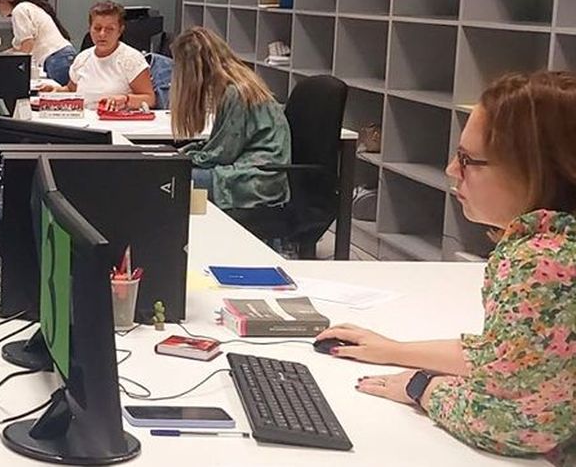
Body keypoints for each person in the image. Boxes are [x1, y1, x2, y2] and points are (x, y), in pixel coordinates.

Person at [315, 71, 575, 465]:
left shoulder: (543, 265)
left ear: (536, 167)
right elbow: (513, 357)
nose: (453, 170)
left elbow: (520, 426)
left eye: (468, 160)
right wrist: (393, 350)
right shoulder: (554, 246)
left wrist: (423, 387)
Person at [169, 26, 290, 210]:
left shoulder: (236, 93)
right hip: (252, 172)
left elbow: (222, 154)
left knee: (171, 180)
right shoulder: (239, 83)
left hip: (255, 179)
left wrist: (182, 158)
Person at [40, 0, 155, 110]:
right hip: (85, 119)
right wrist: (55, 91)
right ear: (89, 29)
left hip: (116, 120)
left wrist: (125, 99)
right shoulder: (82, 58)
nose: (102, 34)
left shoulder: (131, 59)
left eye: (109, 29)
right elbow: (71, 90)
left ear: (120, 31)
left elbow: (150, 99)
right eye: (97, 28)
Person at [0, 0, 77, 86]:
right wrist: (3, 55)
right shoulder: (29, 7)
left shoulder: (19, 10)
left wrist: (12, 65)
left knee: (60, 95)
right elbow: (22, 46)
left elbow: (27, 45)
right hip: (61, 56)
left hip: (56, 59)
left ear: (3, 1)